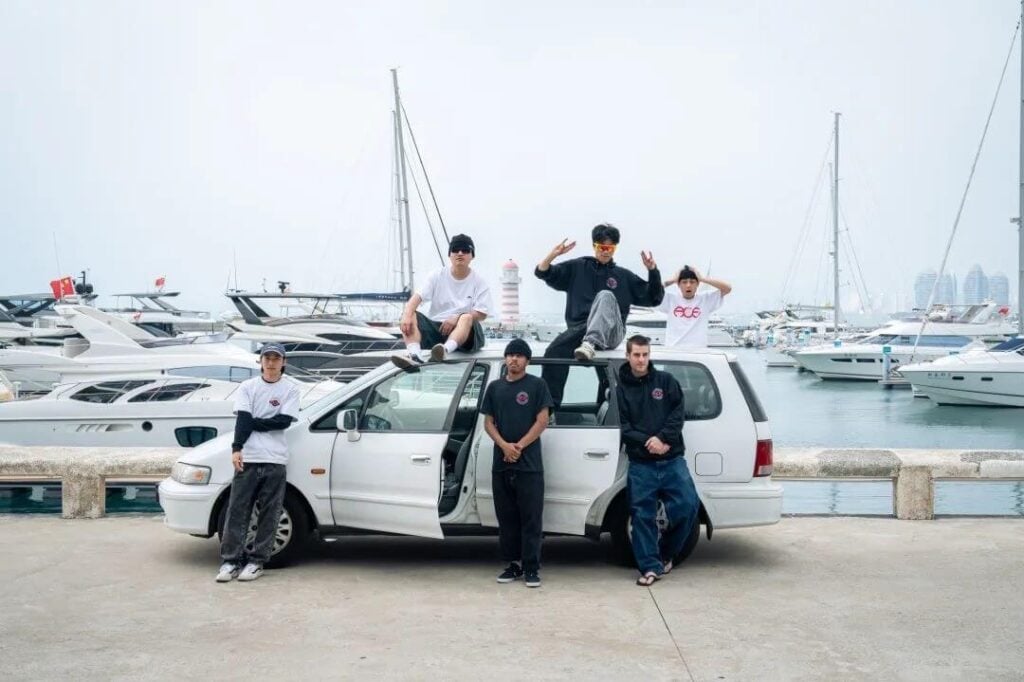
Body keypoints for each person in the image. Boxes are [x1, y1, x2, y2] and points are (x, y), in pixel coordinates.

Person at [535, 223, 663, 407]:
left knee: (605, 295)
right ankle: (549, 409)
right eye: (602, 247)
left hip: (612, 332)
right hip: (580, 332)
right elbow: (542, 272)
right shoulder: (578, 268)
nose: (606, 252)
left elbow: (654, 297)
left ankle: (590, 343)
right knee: (554, 352)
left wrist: (653, 271)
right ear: (595, 246)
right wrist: (554, 254)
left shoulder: (623, 276)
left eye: (610, 248)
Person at [615, 334, 699, 587]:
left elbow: (678, 413)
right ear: (628, 356)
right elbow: (624, 426)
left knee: (687, 507)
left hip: (672, 459)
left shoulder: (666, 381)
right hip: (641, 464)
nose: (641, 359)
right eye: (636, 355)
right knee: (642, 516)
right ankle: (650, 567)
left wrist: (662, 439)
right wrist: (648, 442)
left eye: (645, 354)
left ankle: (665, 554)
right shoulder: (621, 390)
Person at [216, 342, 301, 583]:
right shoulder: (248, 387)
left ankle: (256, 561)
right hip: (249, 457)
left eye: (276, 358)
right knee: (237, 509)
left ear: (283, 362)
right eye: (267, 357)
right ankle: (230, 560)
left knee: (270, 511)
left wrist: (254, 422)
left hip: (275, 458)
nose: (271, 362)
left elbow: (283, 422)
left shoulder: (290, 389)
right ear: (260, 361)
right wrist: (237, 447)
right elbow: (242, 419)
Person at [481, 338, 553, 588]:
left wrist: (519, 446)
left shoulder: (537, 385)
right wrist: (504, 446)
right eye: (510, 354)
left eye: (519, 355)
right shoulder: (495, 388)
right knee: (507, 518)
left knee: (531, 518)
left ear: (527, 360)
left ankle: (532, 567)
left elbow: (542, 420)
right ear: (505, 358)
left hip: (529, 464)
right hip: (501, 463)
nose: (514, 359)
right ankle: (513, 565)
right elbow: (488, 422)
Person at [392, 233, 493, 368]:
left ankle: (444, 351)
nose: (460, 253)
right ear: (450, 254)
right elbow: (417, 297)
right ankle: (415, 355)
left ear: (472, 255)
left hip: (467, 334)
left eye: (465, 250)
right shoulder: (437, 275)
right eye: (455, 249)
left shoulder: (479, 281)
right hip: (438, 330)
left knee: (466, 317)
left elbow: (482, 313)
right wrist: (406, 314)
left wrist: (457, 317)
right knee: (410, 313)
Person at [659, 265, 732, 347]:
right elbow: (650, 291)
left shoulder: (705, 299)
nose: (688, 285)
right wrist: (673, 280)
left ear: (697, 284)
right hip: (673, 350)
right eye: (684, 282)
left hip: (698, 353)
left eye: (692, 282)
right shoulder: (670, 299)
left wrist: (702, 278)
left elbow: (727, 288)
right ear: (678, 284)